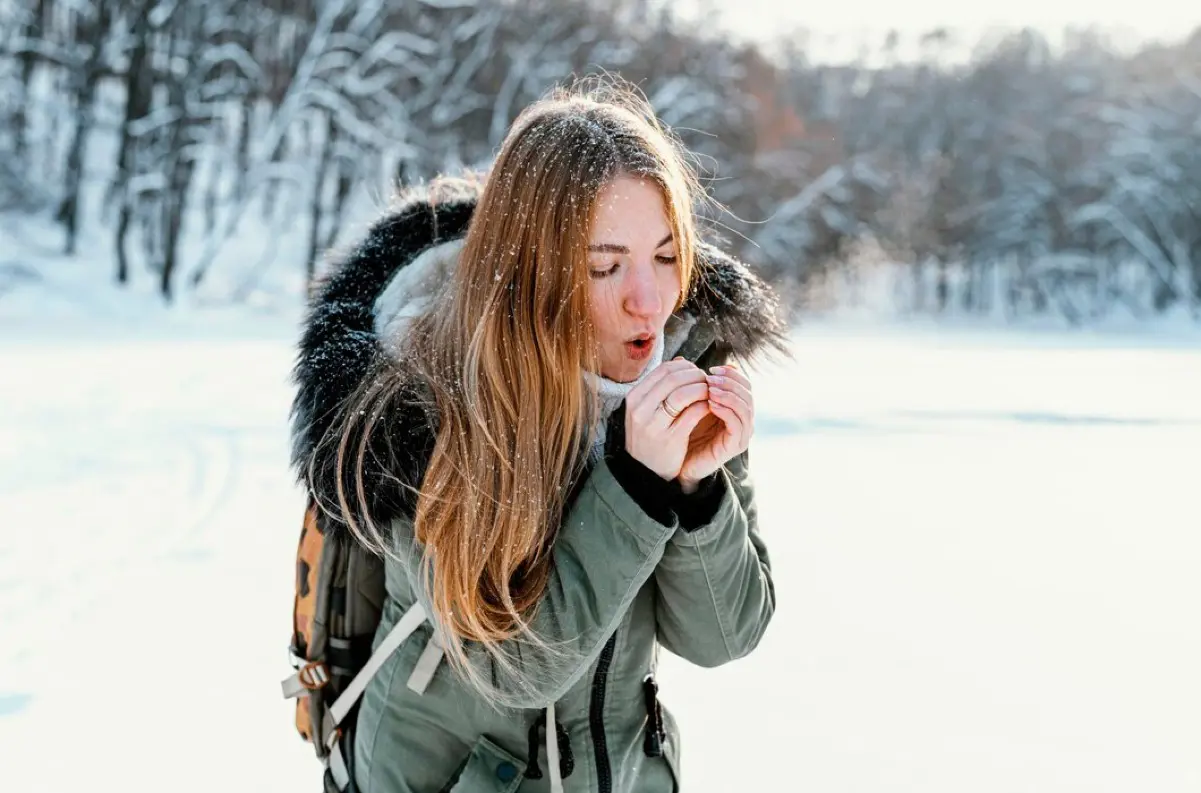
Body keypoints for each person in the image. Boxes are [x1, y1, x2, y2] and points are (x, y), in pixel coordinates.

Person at [291, 78, 787, 793]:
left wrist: (696, 488)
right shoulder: (421, 398)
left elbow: (723, 634)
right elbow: (508, 665)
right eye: (603, 266)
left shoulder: (685, 362)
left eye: (667, 255)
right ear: (528, 270)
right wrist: (637, 485)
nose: (647, 299)